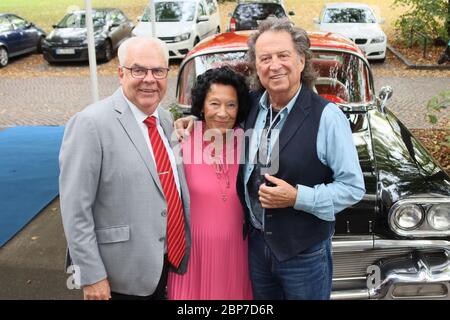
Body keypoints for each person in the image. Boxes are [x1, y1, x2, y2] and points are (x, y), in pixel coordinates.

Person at [175, 18, 365, 300]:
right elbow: (218, 110)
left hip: (303, 253)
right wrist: (191, 119)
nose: (274, 65)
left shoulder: (328, 116)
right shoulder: (251, 106)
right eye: (265, 58)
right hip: (254, 248)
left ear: (301, 60)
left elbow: (353, 188)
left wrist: (297, 197)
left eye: (283, 56)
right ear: (256, 67)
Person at [59, 36, 191, 300]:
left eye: (158, 71)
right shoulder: (90, 124)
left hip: (164, 265)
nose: (149, 79)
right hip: (117, 277)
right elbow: (75, 209)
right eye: (138, 70)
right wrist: (91, 275)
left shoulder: (165, 119)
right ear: (121, 73)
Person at [167, 66, 253, 300]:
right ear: (202, 106)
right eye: (214, 103)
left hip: (238, 254)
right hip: (193, 256)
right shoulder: (180, 140)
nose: (223, 113)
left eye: (231, 105)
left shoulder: (250, 142)